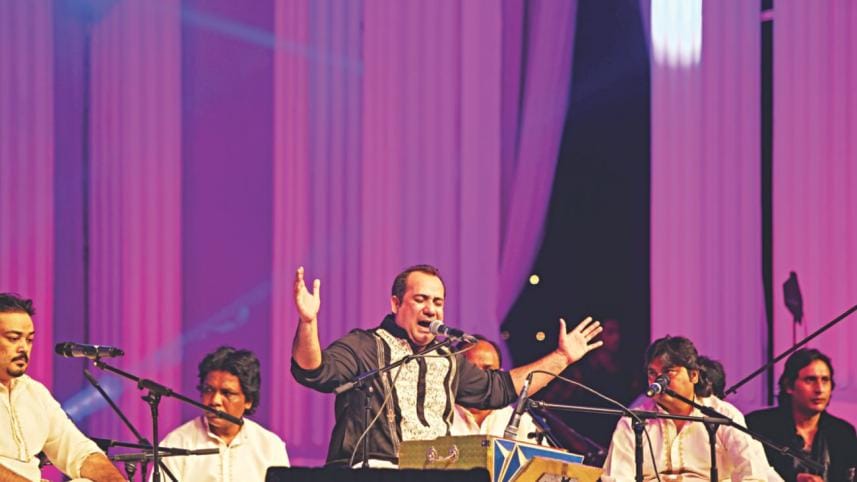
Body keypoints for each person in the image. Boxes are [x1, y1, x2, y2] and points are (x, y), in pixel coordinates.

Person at [291, 264, 603, 467]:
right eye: (420, 299)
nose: (431, 309)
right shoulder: (365, 345)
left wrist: (562, 357)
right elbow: (314, 371)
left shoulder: (447, 360)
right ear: (396, 304)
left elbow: (500, 390)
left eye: (437, 302)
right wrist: (307, 322)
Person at [601, 335, 771, 481]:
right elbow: (617, 477)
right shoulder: (634, 421)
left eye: (668, 371)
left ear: (694, 375)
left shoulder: (723, 415)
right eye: (652, 373)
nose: (659, 381)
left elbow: (754, 474)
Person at [0, 293, 125, 482]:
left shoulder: (34, 393)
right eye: (13, 338)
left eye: (29, 340)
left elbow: (78, 450)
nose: (23, 348)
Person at [157, 347, 289, 482]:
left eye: (227, 393)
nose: (215, 401)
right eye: (209, 390)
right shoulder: (176, 443)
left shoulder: (270, 446)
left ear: (248, 401)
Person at [746, 349, 857, 482]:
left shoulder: (843, 432)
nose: (819, 389)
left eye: (825, 380)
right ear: (789, 386)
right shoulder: (758, 425)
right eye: (810, 380)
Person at [449, 335, 544, 444]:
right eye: (472, 370)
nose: (480, 378)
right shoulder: (439, 412)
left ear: (500, 377)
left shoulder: (522, 422)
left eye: (488, 371)